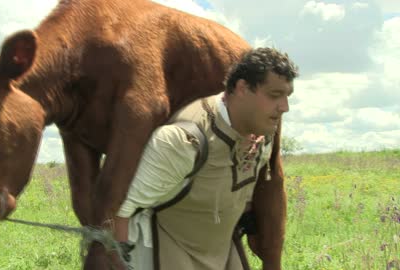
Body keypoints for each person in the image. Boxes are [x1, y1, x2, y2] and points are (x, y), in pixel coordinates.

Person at [112, 47, 299, 270]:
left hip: (220, 251)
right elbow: (121, 211)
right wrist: (121, 263)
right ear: (242, 88)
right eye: (274, 95)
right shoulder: (182, 141)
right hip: (167, 252)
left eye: (287, 97)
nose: (284, 108)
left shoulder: (261, 136)